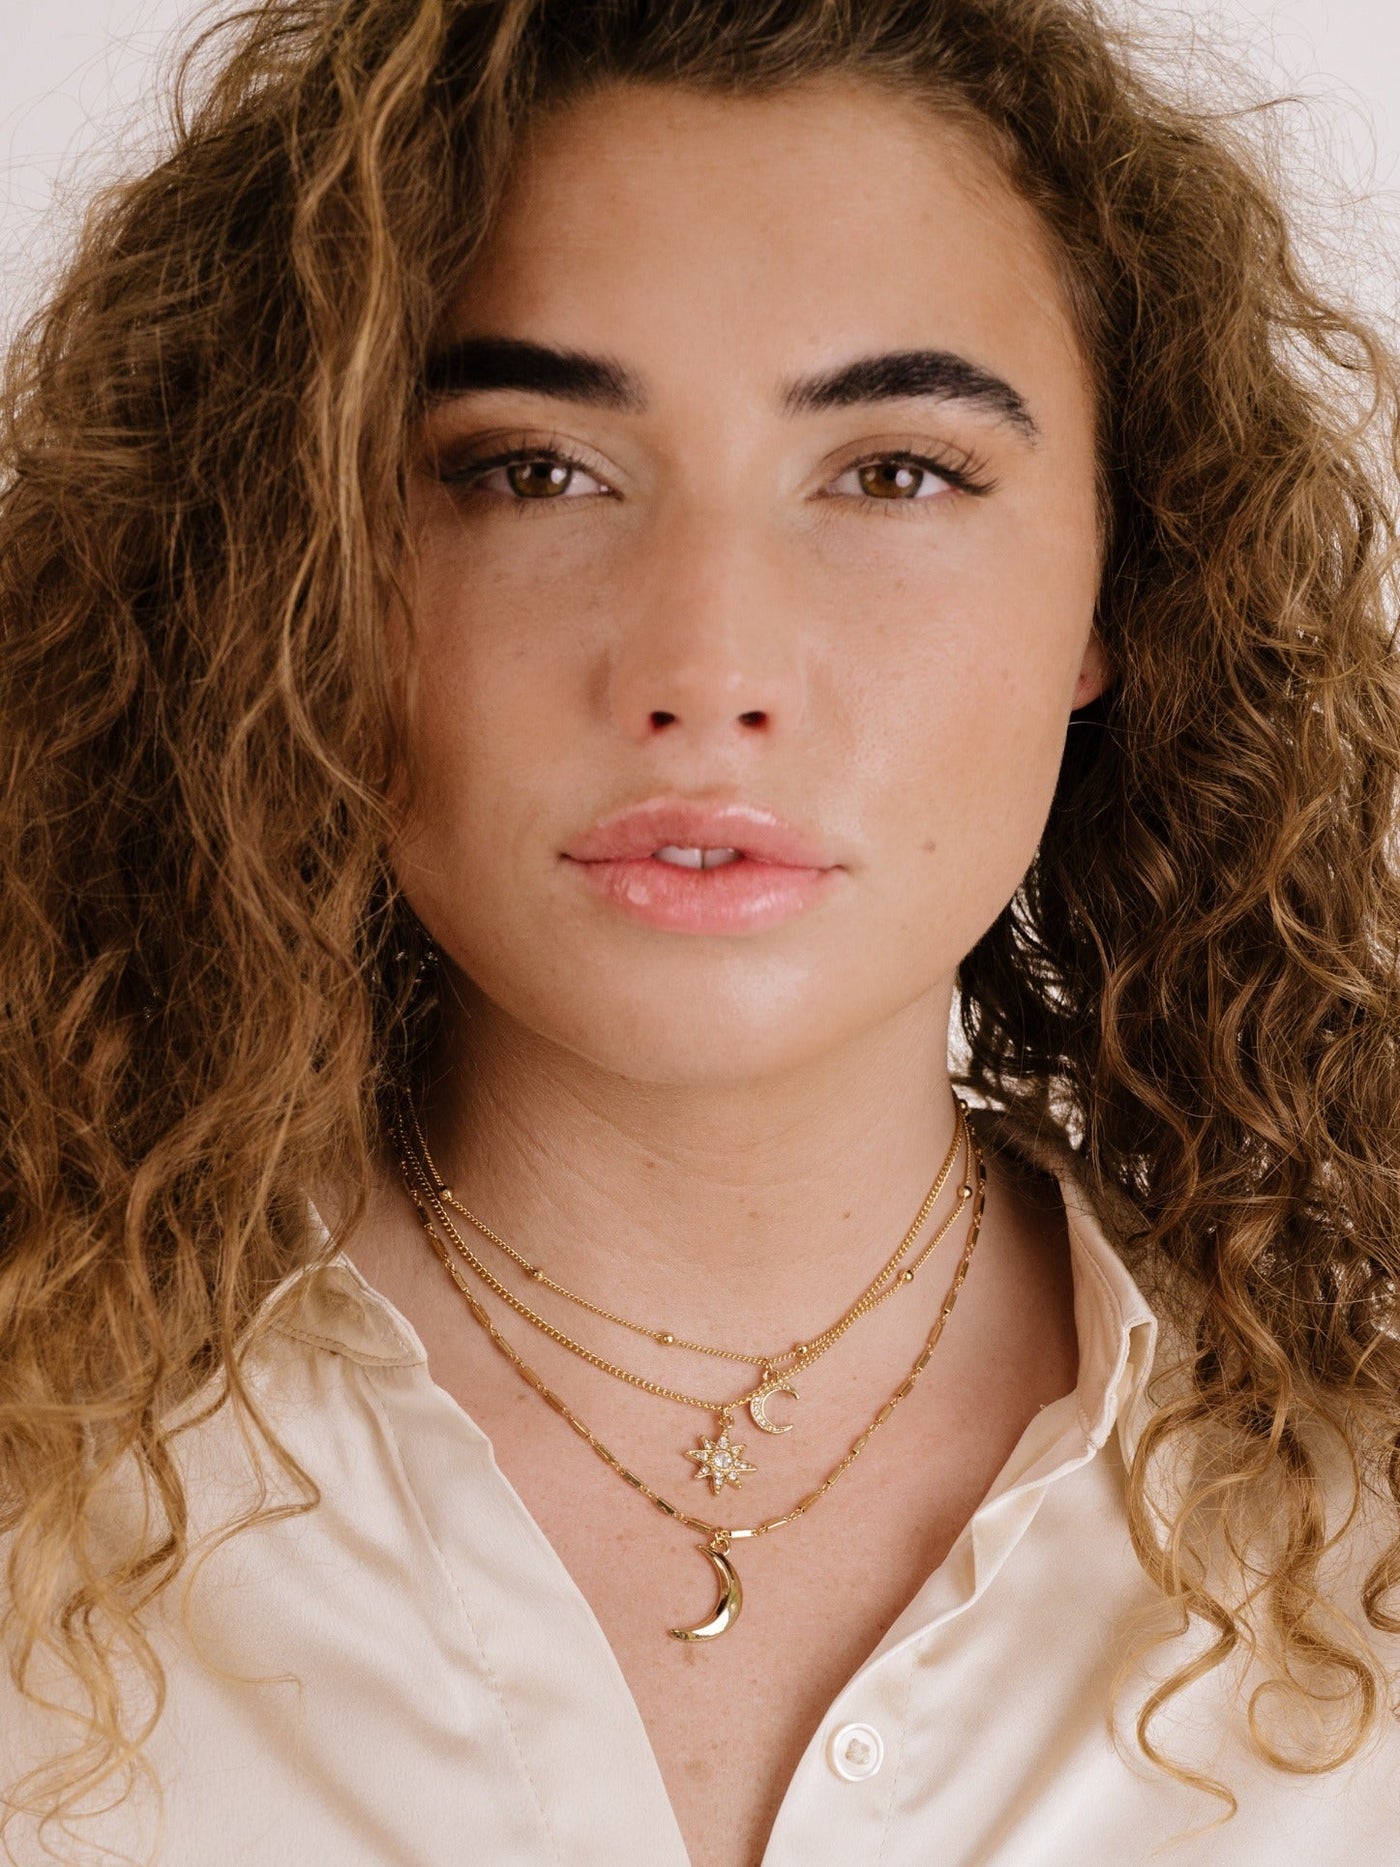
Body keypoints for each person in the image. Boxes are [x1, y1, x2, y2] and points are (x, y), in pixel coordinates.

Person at [3, 0, 1400, 1860]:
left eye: (895, 473)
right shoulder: (44, 1500)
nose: (708, 671)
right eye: (530, 470)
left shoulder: (1361, 1554)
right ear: (300, 565)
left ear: (1118, 582)